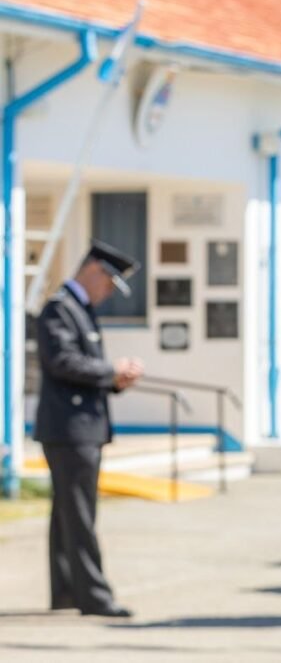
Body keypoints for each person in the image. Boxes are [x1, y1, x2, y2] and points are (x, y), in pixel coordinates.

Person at [34, 240, 143, 618]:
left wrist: (115, 380)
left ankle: (66, 591)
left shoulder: (77, 309)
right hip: (69, 429)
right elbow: (63, 361)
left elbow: (81, 367)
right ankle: (94, 597)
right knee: (79, 515)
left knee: (67, 513)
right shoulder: (59, 309)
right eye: (109, 283)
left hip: (79, 426)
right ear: (93, 270)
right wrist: (110, 370)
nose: (108, 292)